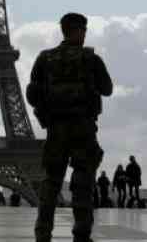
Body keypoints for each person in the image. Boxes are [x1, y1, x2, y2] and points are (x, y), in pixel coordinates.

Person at [26, 12, 113, 242]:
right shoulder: (90, 58)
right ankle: (81, 234)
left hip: (56, 130)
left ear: (63, 31)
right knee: (83, 183)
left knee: (51, 184)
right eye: (84, 31)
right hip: (83, 129)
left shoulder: (45, 58)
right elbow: (107, 88)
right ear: (80, 31)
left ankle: (42, 234)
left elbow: (32, 94)